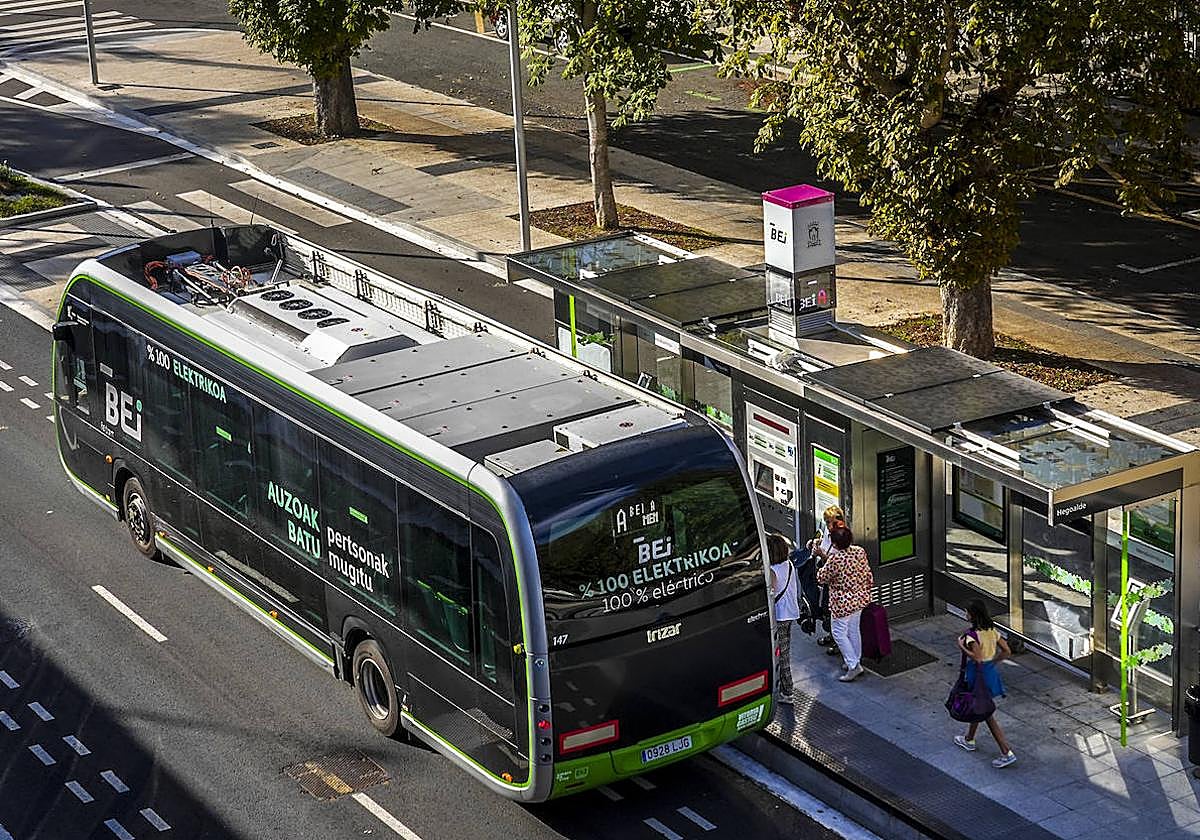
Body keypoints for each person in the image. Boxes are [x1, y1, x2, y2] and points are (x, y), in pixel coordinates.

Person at [954, 599, 1017, 768]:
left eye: (967, 612)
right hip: (990, 673)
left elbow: (977, 658)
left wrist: (962, 646)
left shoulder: (971, 636)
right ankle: (969, 739)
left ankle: (1006, 751)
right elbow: (1007, 651)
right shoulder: (992, 631)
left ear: (973, 615)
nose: (965, 614)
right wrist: (994, 662)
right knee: (980, 707)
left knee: (986, 713)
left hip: (977, 675)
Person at [816, 522, 873, 682]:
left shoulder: (835, 559)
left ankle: (853, 665)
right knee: (853, 630)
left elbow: (821, 577)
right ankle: (855, 660)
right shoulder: (859, 551)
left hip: (842, 603)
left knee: (839, 632)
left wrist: (821, 557)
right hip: (860, 598)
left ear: (834, 544)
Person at [768, 532, 800, 705]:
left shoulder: (773, 571)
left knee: (782, 654)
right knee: (785, 649)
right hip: (790, 613)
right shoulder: (788, 564)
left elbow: (771, 594)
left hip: (779, 616)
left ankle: (787, 691)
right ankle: (784, 688)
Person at [807, 506, 844, 652]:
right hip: (826, 578)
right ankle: (831, 634)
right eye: (827, 522)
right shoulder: (828, 536)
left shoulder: (842, 538)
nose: (829, 526)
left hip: (838, 582)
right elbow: (825, 545)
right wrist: (815, 544)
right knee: (826, 609)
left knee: (835, 612)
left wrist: (822, 555)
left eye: (832, 522)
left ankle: (838, 641)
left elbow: (840, 564)